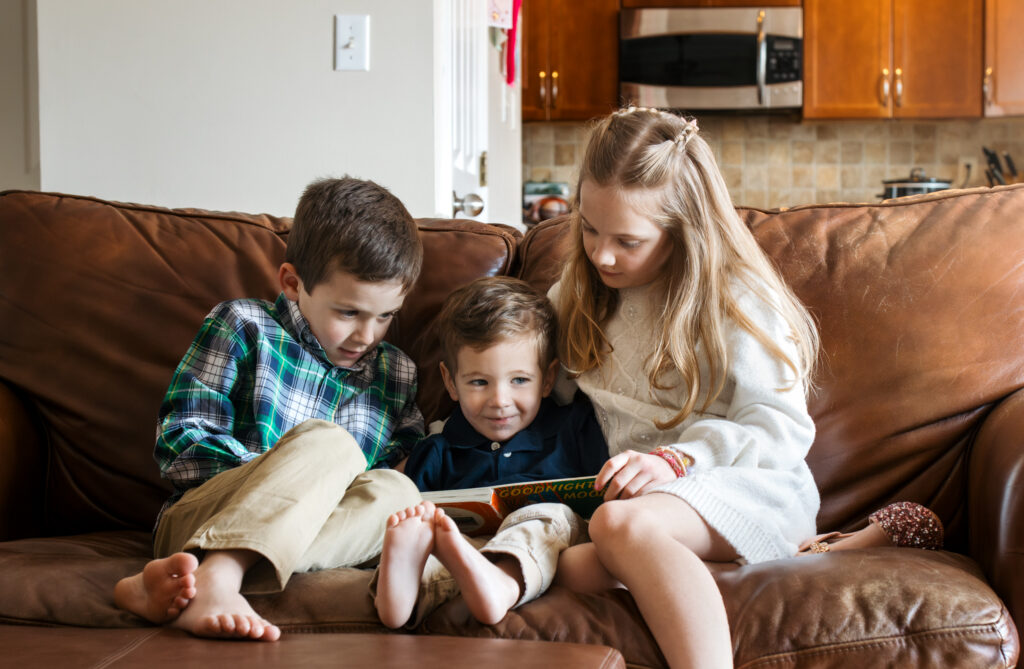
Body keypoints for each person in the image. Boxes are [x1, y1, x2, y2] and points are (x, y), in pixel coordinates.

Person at [113, 177, 426, 641]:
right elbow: (181, 442)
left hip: (318, 532)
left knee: (400, 493)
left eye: (385, 316)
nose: (367, 335)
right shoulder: (244, 326)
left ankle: (192, 580)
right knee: (331, 445)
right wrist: (286, 477)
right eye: (349, 313)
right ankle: (218, 574)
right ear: (293, 283)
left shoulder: (395, 373)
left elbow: (394, 470)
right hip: (203, 517)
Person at [372, 276, 608, 629]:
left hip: (541, 536)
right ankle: (400, 594)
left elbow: (602, 494)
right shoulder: (437, 449)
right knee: (424, 527)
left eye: (519, 381)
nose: (500, 401)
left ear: (547, 379)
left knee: (547, 517)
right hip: (464, 547)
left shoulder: (573, 428)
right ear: (451, 382)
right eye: (479, 382)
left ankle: (500, 583)